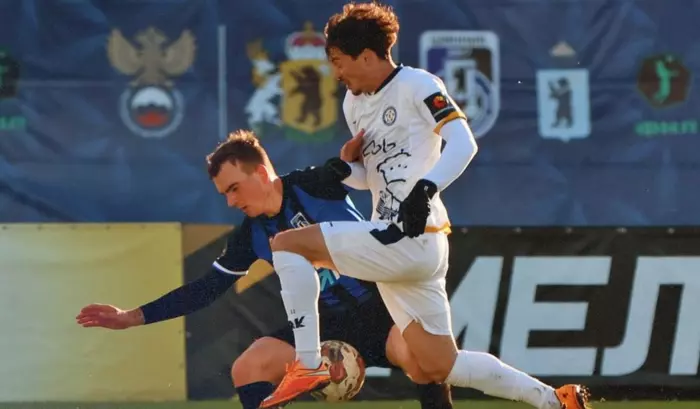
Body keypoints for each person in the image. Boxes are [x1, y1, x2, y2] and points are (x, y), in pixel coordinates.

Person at [259, 3, 591, 409]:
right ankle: (555, 401)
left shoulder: (418, 84)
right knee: (436, 365)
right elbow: (374, 177)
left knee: (287, 244)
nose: (336, 73)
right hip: (399, 245)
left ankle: (309, 364)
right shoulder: (353, 105)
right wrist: (345, 170)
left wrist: (425, 190)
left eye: (338, 61)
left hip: (410, 236)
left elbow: (464, 143)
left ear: (367, 56)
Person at [75, 130, 455, 409]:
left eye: (234, 188)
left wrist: (353, 158)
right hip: (321, 327)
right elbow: (207, 289)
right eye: (224, 194)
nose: (230, 201)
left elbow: (365, 168)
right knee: (249, 367)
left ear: (260, 173)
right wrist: (132, 317)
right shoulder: (250, 235)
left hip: (382, 309)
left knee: (420, 358)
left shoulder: (314, 184)